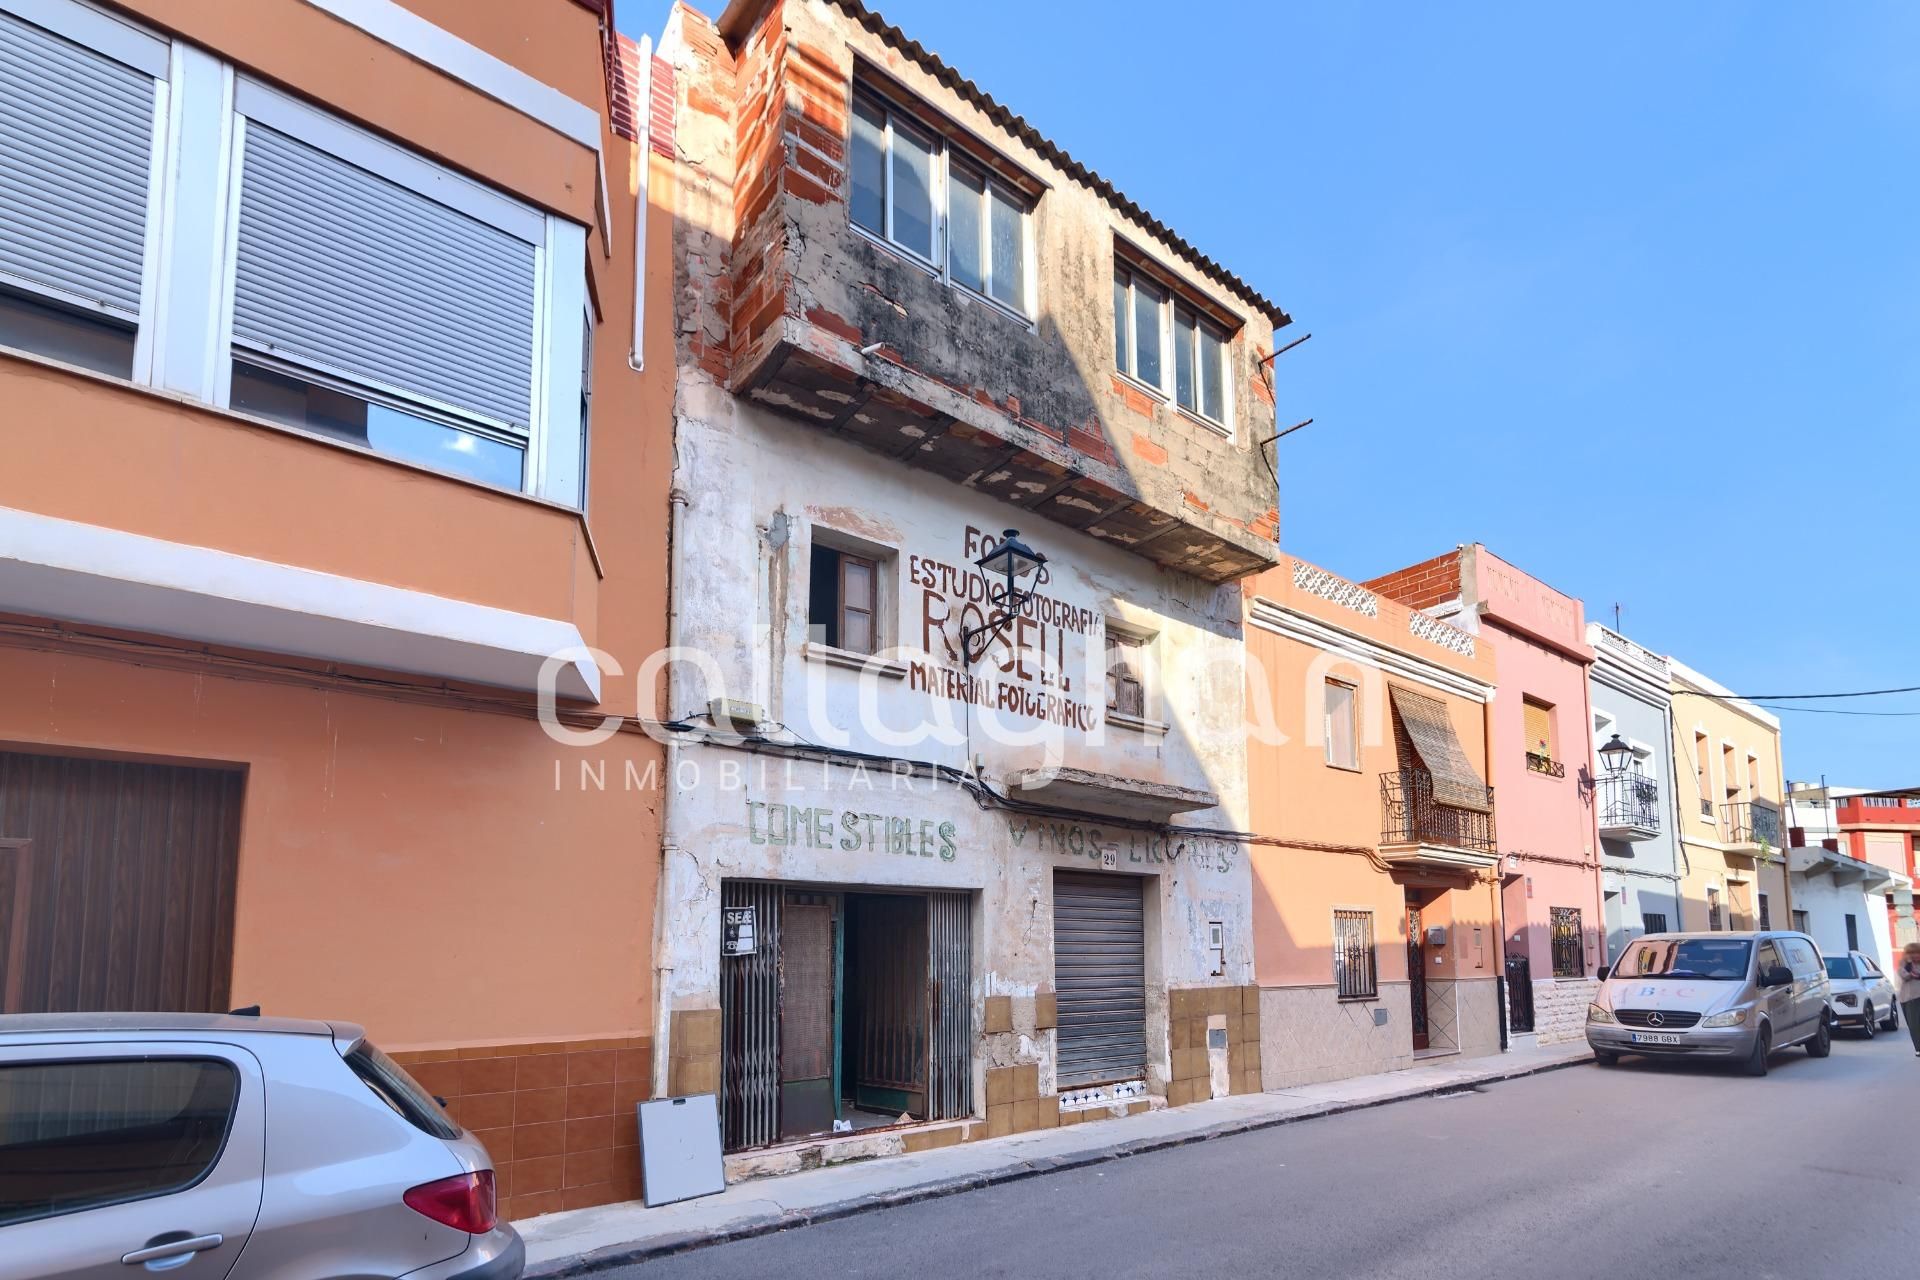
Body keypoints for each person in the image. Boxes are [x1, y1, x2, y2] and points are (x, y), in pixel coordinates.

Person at [1900, 941, 1920, 1057]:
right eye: (1911, 953)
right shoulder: (1904, 965)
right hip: (1906, 998)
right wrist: (1908, 964)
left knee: (1916, 1024)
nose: (1914, 955)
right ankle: (1918, 1047)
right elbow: (1905, 975)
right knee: (1912, 1025)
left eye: (1917, 952)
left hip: (1917, 997)